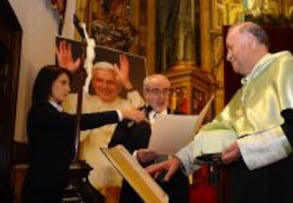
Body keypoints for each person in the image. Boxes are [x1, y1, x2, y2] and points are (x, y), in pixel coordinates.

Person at [146, 21, 293, 203]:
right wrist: (180, 160)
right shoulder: (243, 92)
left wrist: (245, 148)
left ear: (251, 41)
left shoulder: (283, 66)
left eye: (230, 47)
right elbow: (216, 134)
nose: (228, 56)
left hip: (288, 189)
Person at [21, 65, 145, 203]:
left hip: (59, 184)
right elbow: (79, 121)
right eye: (63, 83)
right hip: (43, 186)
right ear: (47, 82)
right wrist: (120, 114)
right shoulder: (41, 111)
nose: (68, 89)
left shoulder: (54, 111)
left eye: (68, 84)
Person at [56, 40, 145, 202]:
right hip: (90, 179)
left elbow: (143, 116)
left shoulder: (126, 105)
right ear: (93, 81)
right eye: (99, 80)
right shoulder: (82, 101)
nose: (104, 86)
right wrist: (65, 72)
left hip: (120, 177)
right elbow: (63, 111)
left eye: (110, 82)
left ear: (118, 85)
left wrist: (127, 83)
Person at [109, 74, 189, 203]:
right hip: (136, 191)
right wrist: (136, 156)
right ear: (145, 93)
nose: (161, 97)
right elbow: (113, 151)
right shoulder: (131, 117)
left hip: (174, 190)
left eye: (165, 91)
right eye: (156, 91)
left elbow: (192, 153)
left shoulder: (183, 119)